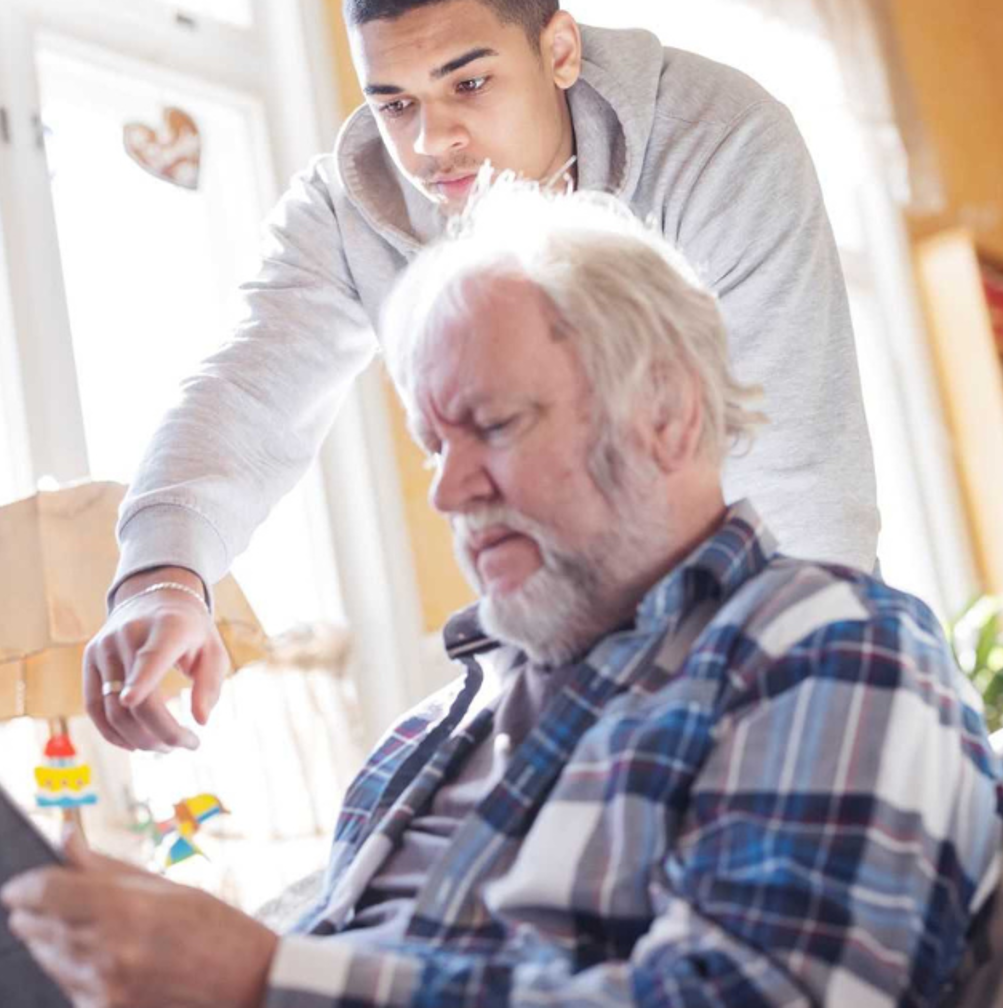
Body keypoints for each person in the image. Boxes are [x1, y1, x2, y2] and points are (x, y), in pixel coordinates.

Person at [7, 182, 1003, 1007]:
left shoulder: (825, 647)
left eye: (491, 424)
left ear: (664, 414)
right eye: (434, 443)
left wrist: (267, 978)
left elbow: (759, 993)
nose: (448, 488)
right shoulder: (423, 735)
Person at [84, 0, 881, 753]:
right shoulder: (345, 208)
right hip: (550, 668)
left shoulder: (719, 139)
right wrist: (162, 576)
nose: (432, 141)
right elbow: (247, 390)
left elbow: (791, 458)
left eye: (469, 83)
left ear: (559, 51)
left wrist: (802, 685)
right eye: (394, 103)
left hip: (776, 655)